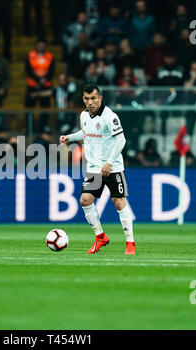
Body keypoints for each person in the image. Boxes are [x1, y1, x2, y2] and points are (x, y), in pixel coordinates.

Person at [59, 84, 136, 255]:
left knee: (119, 202)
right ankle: (100, 236)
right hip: (94, 167)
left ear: (100, 98)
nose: (90, 102)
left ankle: (130, 243)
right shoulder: (84, 115)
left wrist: (109, 163)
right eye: (86, 98)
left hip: (113, 167)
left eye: (93, 98)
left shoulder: (110, 116)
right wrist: (70, 138)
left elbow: (121, 140)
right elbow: (85, 132)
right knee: (85, 200)